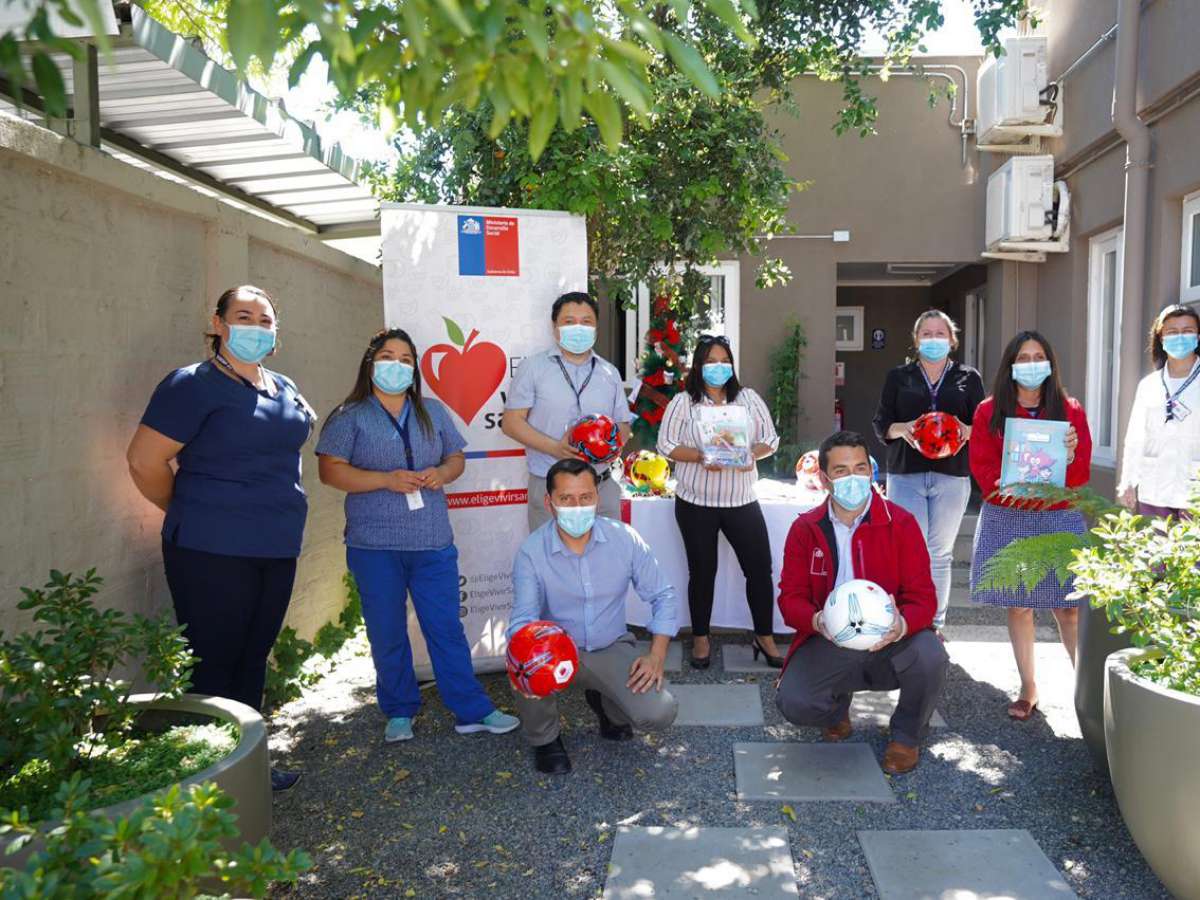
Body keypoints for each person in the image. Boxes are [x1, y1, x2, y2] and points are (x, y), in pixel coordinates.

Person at [127, 285, 315, 792]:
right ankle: (206, 778)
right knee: (214, 659)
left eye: (266, 319)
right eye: (244, 316)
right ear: (218, 323)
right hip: (211, 549)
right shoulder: (193, 385)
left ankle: (247, 765)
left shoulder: (282, 385)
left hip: (275, 545)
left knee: (254, 655)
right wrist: (189, 508)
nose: (256, 326)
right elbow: (144, 462)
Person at [316, 328, 519, 743]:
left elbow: (456, 457)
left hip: (431, 542)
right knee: (386, 630)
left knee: (445, 628)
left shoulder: (432, 411)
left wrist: (443, 473)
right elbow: (330, 469)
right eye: (388, 356)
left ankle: (471, 709)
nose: (397, 365)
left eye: (406, 359)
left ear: (415, 368)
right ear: (370, 363)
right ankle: (399, 710)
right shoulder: (349, 415)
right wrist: (384, 480)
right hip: (374, 546)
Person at [775, 431, 948, 774]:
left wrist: (901, 626)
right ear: (824, 479)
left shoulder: (901, 523)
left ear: (872, 472)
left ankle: (906, 736)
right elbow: (790, 598)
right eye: (840, 471)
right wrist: (816, 621)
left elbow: (924, 599)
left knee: (931, 656)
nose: (852, 478)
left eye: (860, 468)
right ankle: (836, 709)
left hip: (891, 639)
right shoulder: (806, 529)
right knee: (795, 703)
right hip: (831, 637)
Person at [507, 458, 679, 775]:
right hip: (554, 652)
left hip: (608, 645)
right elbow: (523, 618)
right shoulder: (532, 551)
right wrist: (525, 655)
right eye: (566, 499)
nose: (577, 507)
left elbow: (663, 595)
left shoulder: (624, 538)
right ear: (549, 502)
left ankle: (608, 708)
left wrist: (656, 655)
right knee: (523, 660)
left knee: (660, 712)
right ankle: (545, 739)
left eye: (585, 498)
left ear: (597, 497)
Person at [968, 331, 1091, 721]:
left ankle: (1088, 690)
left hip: (1059, 514)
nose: (1032, 363)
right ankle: (1028, 686)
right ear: (1010, 366)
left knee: (1069, 606)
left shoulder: (1070, 409)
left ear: (1050, 364)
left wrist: (1068, 454)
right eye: (1024, 357)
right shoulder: (989, 411)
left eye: (1039, 355)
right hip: (1010, 514)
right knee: (1019, 604)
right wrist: (1009, 486)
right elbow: (981, 466)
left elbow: (1081, 472)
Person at [657, 334, 782, 668]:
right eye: (710, 361)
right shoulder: (684, 403)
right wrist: (701, 456)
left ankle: (764, 635)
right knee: (702, 572)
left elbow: (770, 439)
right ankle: (701, 637)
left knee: (759, 570)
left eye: (723, 360)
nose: (718, 367)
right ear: (699, 365)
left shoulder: (748, 399)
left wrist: (750, 455)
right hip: (696, 502)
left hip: (741, 500)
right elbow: (666, 445)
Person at [873, 310, 985, 629]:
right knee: (909, 551)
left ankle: (933, 624)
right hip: (905, 474)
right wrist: (903, 428)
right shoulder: (899, 377)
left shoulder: (969, 377)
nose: (933, 339)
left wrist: (967, 430)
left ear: (951, 340)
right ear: (916, 339)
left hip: (952, 474)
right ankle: (908, 619)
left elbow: (984, 426)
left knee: (939, 554)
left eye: (940, 334)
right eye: (926, 334)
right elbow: (882, 423)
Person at [502, 292, 632, 530]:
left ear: (596, 327)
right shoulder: (533, 368)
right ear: (555, 327)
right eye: (569, 322)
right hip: (550, 487)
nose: (578, 328)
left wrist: (612, 446)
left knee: (609, 561)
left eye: (586, 322)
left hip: (600, 487)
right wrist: (555, 448)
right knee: (551, 562)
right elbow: (511, 423)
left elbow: (623, 425)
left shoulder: (609, 372)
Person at [1118, 303, 1200, 518]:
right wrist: (1128, 481)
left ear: (1198, 337)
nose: (1180, 337)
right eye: (1172, 332)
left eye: (1188, 331)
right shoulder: (1149, 385)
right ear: (1161, 339)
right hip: (1154, 489)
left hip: (1194, 492)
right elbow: (1135, 437)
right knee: (1153, 549)